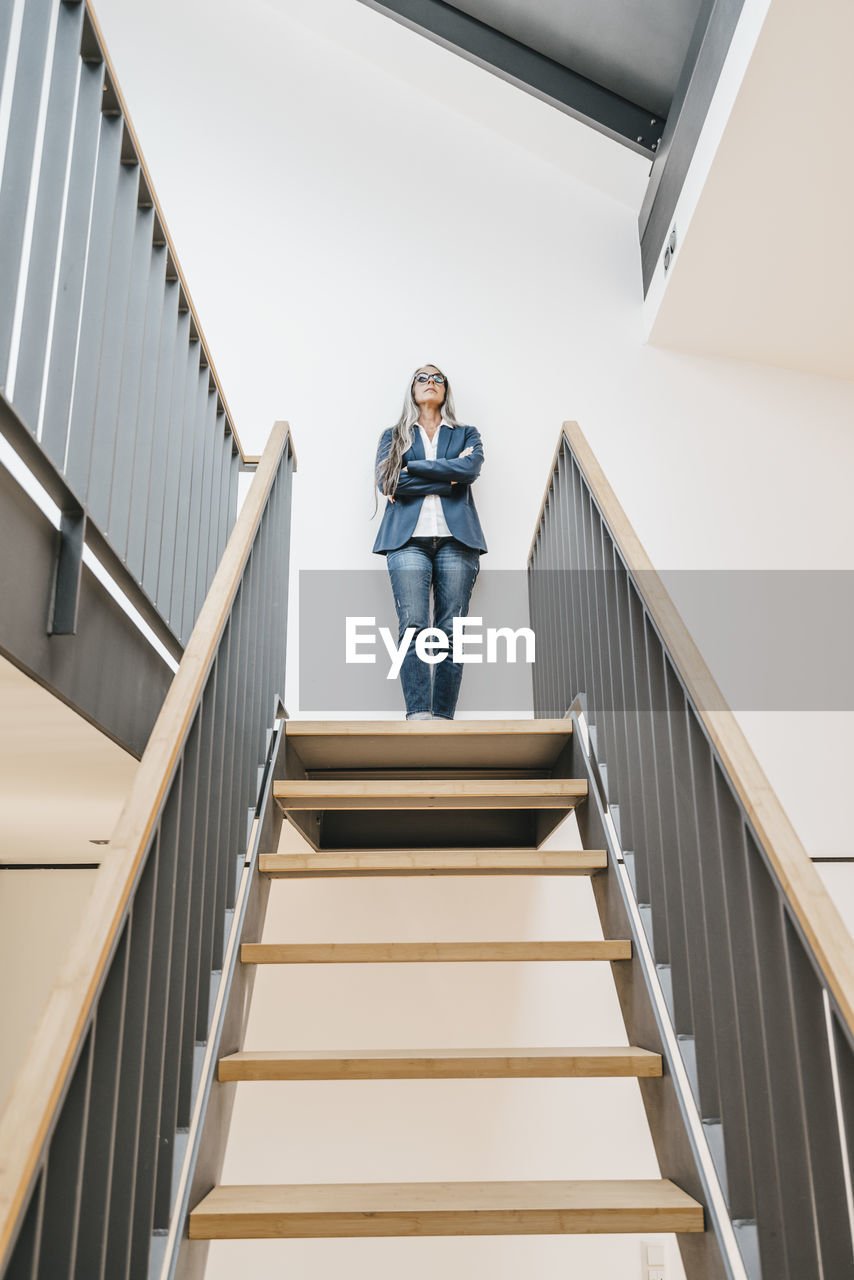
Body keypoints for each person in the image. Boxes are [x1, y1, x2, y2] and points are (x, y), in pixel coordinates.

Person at [373, 363, 487, 720]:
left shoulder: (466, 433)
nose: (430, 382)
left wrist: (415, 469)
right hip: (407, 541)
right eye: (422, 377)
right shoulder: (393, 436)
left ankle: (442, 717)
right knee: (414, 627)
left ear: (445, 389)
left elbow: (470, 470)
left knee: (452, 631)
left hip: (458, 539)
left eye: (438, 378)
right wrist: (448, 475)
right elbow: (389, 483)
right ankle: (419, 714)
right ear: (412, 389)